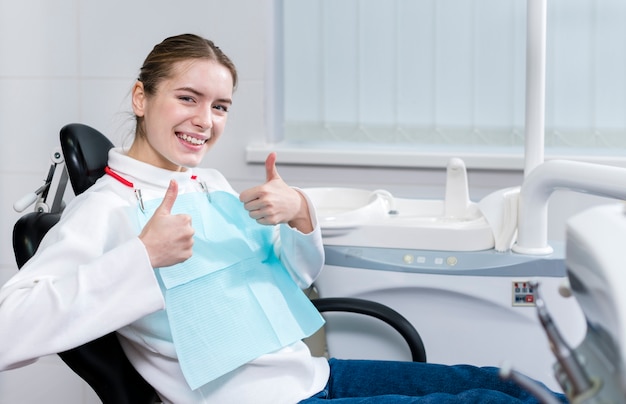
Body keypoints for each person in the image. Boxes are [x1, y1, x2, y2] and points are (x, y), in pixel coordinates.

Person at [0, 34, 567, 404]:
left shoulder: (209, 184)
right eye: (188, 98)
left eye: (220, 106)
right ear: (142, 97)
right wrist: (141, 258)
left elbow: (289, 281)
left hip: (310, 375)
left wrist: (298, 217)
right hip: (262, 398)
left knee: (509, 384)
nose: (206, 120)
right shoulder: (104, 210)